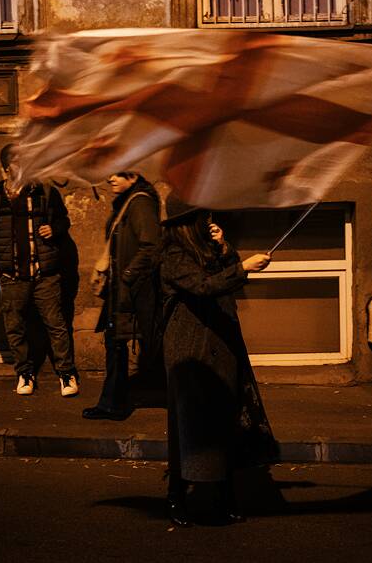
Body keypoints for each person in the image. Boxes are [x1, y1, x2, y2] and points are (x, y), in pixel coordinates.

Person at [159, 194, 278, 526]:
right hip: (189, 350)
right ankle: (177, 498)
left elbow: (224, 279)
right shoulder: (172, 255)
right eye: (203, 215)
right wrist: (243, 268)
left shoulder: (207, 249)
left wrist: (226, 250)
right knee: (188, 425)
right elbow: (203, 286)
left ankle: (225, 496)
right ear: (188, 223)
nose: (209, 220)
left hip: (221, 345)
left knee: (224, 421)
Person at [0, 144, 79, 397]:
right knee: (15, 326)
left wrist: (55, 229)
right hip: (11, 276)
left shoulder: (46, 193)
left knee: (56, 324)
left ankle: (66, 373)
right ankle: (24, 373)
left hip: (45, 273)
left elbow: (64, 220)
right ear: (7, 168)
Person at [83, 172, 161, 421]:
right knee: (114, 343)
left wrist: (127, 274)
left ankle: (113, 404)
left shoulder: (140, 203)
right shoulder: (129, 202)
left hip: (132, 290)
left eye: (118, 173)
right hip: (123, 289)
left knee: (118, 344)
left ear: (134, 174)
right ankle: (112, 403)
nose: (111, 179)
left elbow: (151, 245)